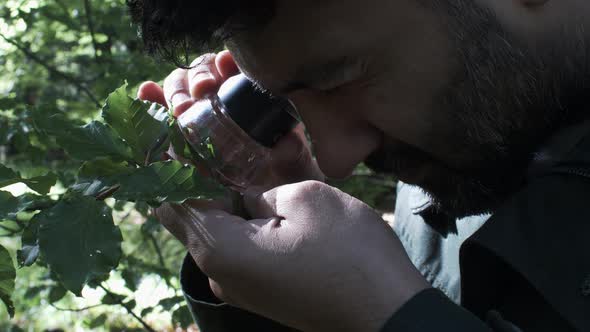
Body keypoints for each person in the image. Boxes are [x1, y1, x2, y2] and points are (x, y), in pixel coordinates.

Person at [128, 0, 590, 331]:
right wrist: (279, 294)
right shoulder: (451, 161)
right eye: (284, 102)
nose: (336, 159)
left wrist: (386, 317)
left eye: (339, 79)